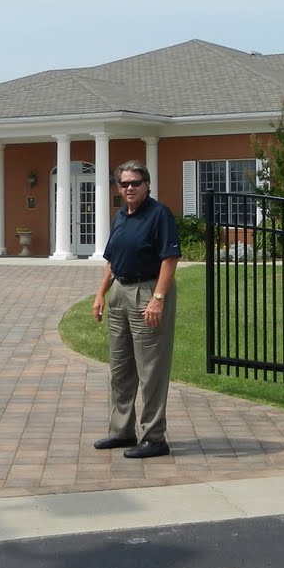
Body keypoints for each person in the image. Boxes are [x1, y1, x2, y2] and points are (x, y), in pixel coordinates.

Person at [91, 159, 181, 459]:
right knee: (120, 367)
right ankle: (122, 431)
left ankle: (154, 437)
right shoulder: (120, 216)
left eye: (135, 183)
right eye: (124, 183)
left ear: (147, 185)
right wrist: (101, 294)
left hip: (147, 290)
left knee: (151, 369)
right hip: (120, 291)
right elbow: (112, 260)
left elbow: (169, 259)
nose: (129, 188)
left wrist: (158, 298)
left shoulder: (159, 214)